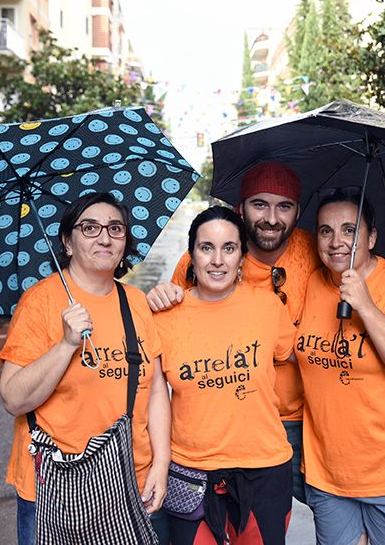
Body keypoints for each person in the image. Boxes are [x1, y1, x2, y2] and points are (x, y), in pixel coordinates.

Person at [147, 161, 385, 504]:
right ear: (240, 209)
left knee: (313, 512)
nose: (272, 218)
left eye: (284, 206)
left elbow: (364, 261)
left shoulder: (319, 247)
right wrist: (160, 297)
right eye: (260, 204)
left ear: (298, 212)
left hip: (308, 422)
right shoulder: (207, 259)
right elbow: (180, 317)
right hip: (231, 424)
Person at [0, 192, 171, 545]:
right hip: (53, 486)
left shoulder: (135, 303)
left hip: (130, 480)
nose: (105, 238)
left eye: (115, 228)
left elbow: (155, 390)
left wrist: (161, 465)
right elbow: (14, 399)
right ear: (67, 242)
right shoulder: (39, 302)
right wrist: (66, 344)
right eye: (90, 228)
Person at [295, 188, 385, 545]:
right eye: (326, 230)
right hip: (329, 475)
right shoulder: (310, 281)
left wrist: (365, 305)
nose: (336, 241)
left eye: (349, 229)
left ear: (372, 237)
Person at [153, 205, 296, 545]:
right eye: (207, 248)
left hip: (264, 469)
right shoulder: (163, 316)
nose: (217, 260)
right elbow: (153, 396)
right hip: (190, 472)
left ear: (242, 257)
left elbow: (296, 357)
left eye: (229, 248)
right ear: (191, 256)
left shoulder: (268, 306)